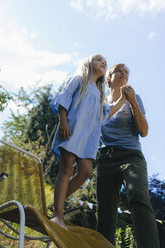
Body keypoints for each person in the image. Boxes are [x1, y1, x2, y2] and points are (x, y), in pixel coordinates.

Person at [49, 54, 126, 229]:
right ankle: (57, 215)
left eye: (105, 63)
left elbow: (107, 113)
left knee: (85, 171)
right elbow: (64, 98)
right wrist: (63, 121)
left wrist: (123, 99)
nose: (103, 63)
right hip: (72, 129)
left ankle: (56, 203)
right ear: (88, 63)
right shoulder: (79, 80)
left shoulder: (99, 93)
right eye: (99, 60)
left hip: (87, 138)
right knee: (67, 167)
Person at [96, 63, 160, 247]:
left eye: (126, 72)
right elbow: (93, 132)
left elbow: (144, 131)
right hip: (106, 159)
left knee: (138, 196)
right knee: (105, 211)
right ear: (109, 78)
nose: (124, 74)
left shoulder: (135, 98)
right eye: (119, 71)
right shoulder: (100, 103)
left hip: (131, 156)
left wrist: (132, 101)